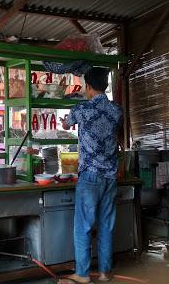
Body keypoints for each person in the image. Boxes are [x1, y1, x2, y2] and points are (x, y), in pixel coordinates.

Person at [59, 67, 122, 284]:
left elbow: (66, 124)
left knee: (83, 227)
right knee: (106, 225)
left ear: (87, 87)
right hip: (111, 177)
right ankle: (105, 272)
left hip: (90, 177)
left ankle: (83, 274)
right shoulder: (116, 110)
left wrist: (65, 123)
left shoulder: (81, 109)